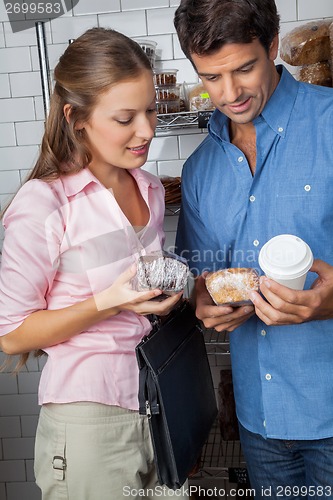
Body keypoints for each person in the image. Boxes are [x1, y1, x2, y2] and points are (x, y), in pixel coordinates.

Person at [0, 27, 188, 500]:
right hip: (90, 420)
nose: (147, 129)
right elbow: (12, 335)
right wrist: (108, 302)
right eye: (126, 117)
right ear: (75, 117)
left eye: (149, 110)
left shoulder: (147, 189)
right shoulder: (44, 205)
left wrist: (172, 292)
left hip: (160, 399)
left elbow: (143, 289)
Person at [174, 0, 333, 498]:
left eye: (244, 69)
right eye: (211, 77)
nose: (229, 93)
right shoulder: (201, 169)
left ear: (271, 45)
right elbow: (204, 277)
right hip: (259, 420)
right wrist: (203, 300)